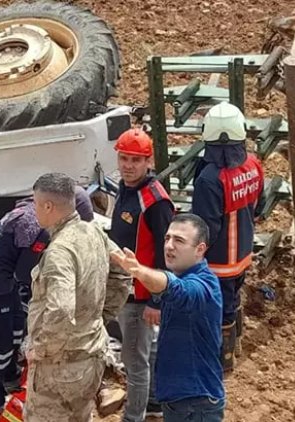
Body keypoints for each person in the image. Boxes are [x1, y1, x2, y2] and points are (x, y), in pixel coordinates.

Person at [0, 185, 95, 415]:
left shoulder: (33, 209)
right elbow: (26, 273)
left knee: (17, 322)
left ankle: (10, 374)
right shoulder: (40, 228)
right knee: (1, 341)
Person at [24, 173, 127, 422]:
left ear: (48, 206)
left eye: (35, 204)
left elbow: (60, 310)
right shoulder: (94, 233)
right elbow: (123, 272)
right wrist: (101, 317)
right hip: (91, 357)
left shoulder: (60, 251)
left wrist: (39, 350)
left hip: (59, 368)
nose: (34, 210)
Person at [112, 214, 225, 422]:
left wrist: (138, 272)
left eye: (179, 241)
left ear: (200, 249)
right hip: (179, 399)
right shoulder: (183, 274)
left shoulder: (203, 286)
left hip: (194, 404)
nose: (169, 246)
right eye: (167, 238)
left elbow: (176, 289)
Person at [191, 102, 264, 371]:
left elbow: (205, 225)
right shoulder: (254, 165)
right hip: (243, 252)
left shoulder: (210, 179)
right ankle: (237, 341)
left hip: (219, 260)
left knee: (219, 308)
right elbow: (260, 203)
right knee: (233, 297)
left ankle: (223, 360)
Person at [109, 128, 174, 420]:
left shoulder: (155, 202)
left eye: (135, 160)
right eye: (124, 158)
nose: (128, 165)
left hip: (140, 294)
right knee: (148, 349)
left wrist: (156, 301)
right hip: (129, 288)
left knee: (135, 362)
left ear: (148, 161)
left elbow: (165, 254)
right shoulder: (127, 187)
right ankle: (155, 401)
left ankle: (133, 416)